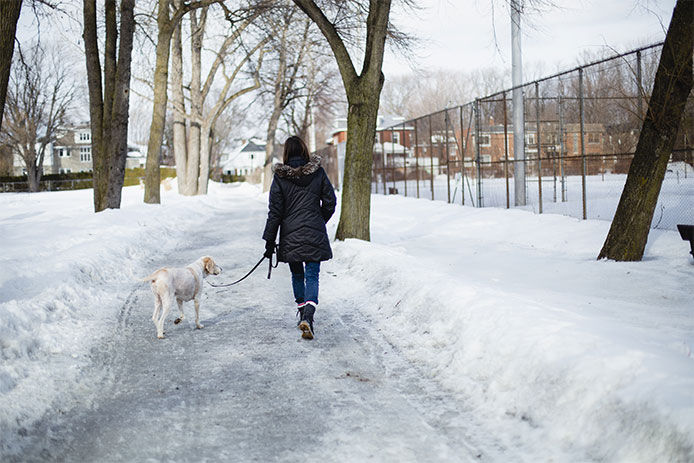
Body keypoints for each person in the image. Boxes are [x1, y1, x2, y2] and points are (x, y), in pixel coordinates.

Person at [262, 136, 336, 340]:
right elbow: (330, 201)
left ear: (286, 153)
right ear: (304, 150)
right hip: (314, 232)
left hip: (291, 235)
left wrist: (269, 241)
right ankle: (309, 316)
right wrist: (319, 220)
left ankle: (303, 312)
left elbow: (275, 211)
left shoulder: (280, 177)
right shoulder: (318, 172)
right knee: (312, 275)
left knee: (297, 276)